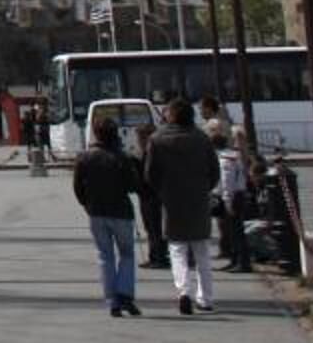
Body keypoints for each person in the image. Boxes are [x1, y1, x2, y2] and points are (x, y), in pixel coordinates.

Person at [145, 96, 221, 314]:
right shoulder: (202, 138)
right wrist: (204, 188)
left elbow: (150, 173)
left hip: (171, 199)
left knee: (177, 249)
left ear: (170, 116)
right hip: (198, 198)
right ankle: (205, 298)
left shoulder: (157, 140)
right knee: (202, 251)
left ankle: (184, 291)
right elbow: (214, 171)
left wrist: (162, 190)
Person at [71, 115, 144, 316]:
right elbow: (133, 185)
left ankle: (111, 300)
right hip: (121, 211)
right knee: (127, 254)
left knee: (105, 256)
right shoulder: (122, 157)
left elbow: (77, 186)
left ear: (96, 134)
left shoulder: (85, 157)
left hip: (96, 212)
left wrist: (86, 204)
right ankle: (125, 293)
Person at [211, 121, 254, 272]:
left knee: (236, 231)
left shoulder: (225, 160)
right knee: (233, 231)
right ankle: (235, 260)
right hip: (237, 195)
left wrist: (227, 201)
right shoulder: (232, 156)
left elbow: (227, 182)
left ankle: (242, 262)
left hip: (232, 197)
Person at [132, 115, 169, 268]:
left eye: (141, 137)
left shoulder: (153, 152)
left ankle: (159, 256)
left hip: (153, 194)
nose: (139, 140)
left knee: (155, 226)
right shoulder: (143, 152)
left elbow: (149, 174)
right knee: (149, 226)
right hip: (146, 195)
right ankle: (154, 255)